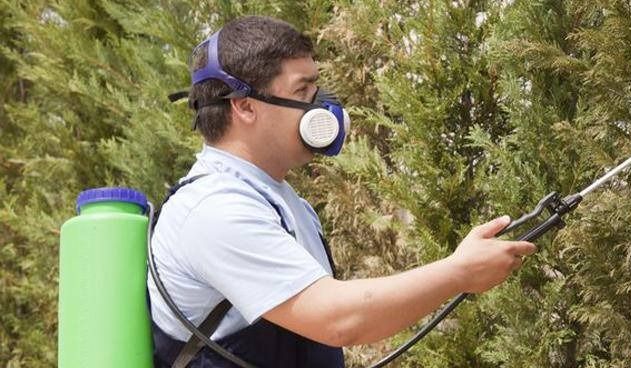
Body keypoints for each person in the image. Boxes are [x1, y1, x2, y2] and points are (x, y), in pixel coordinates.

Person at [146, 15, 535, 368]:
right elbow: (337, 319)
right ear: (246, 107)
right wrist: (459, 272)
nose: (324, 108)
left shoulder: (280, 201)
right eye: (303, 92)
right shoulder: (214, 210)